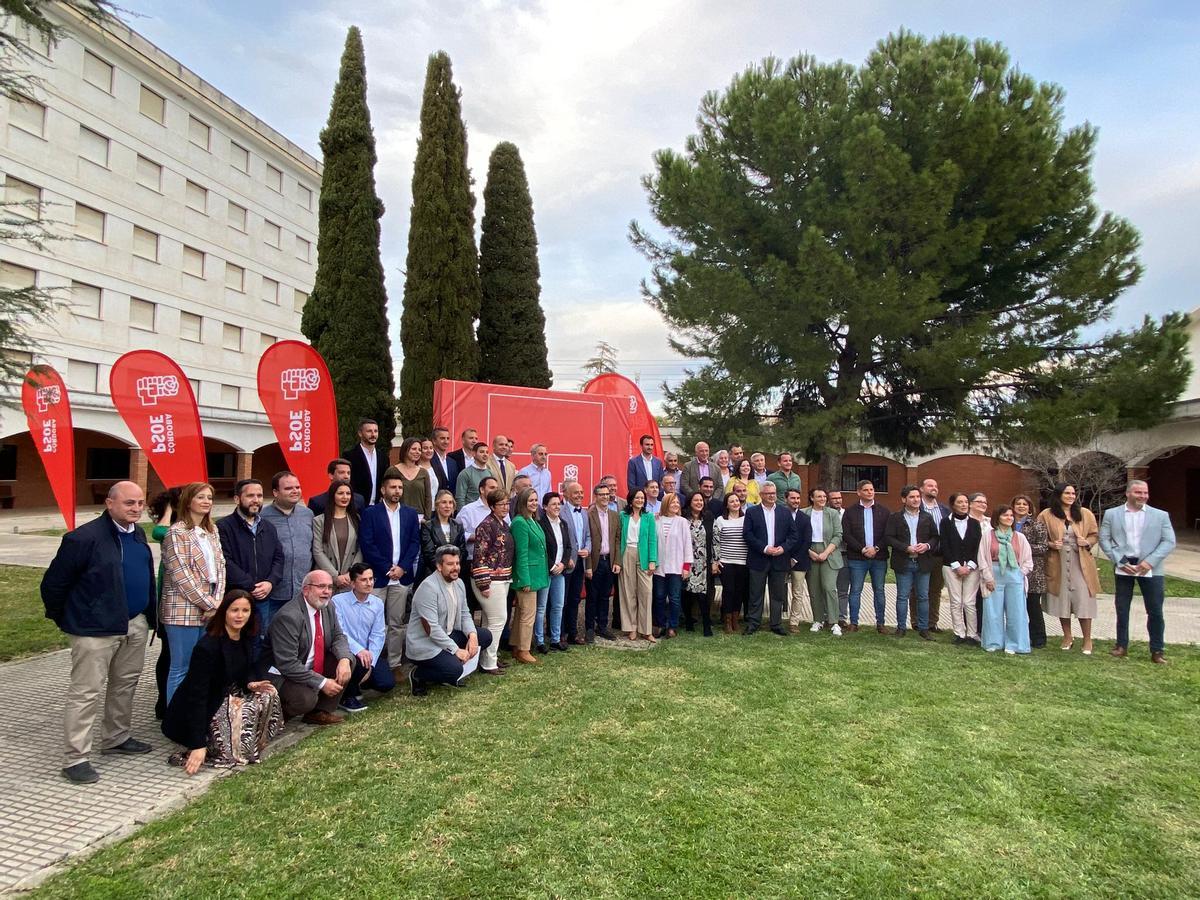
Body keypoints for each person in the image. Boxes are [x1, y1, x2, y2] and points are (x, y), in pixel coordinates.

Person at [42, 481, 157, 784]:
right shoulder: (83, 539)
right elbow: (53, 585)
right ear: (110, 504)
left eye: (140, 503)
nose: (135, 508)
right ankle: (75, 758)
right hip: (94, 629)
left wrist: (146, 617)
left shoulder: (139, 534)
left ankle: (116, 738)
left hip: (133, 623)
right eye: (128, 503)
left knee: (124, 685)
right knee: (85, 693)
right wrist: (70, 620)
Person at [162, 589, 283, 773]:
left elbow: (244, 670)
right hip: (208, 703)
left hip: (229, 694)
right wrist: (197, 743)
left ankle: (249, 741)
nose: (240, 616)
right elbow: (197, 696)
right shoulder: (207, 647)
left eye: (245, 610)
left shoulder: (245, 636)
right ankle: (208, 746)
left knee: (268, 694)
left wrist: (251, 683)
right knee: (238, 718)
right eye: (234, 610)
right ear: (224, 612)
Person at [161, 482, 227, 704]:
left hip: (210, 606)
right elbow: (182, 575)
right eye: (201, 497)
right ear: (188, 501)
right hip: (183, 607)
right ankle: (175, 720)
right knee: (182, 667)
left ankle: (194, 716)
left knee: (201, 665)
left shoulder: (211, 531)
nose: (206, 501)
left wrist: (217, 603)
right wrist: (209, 604)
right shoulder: (176, 533)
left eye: (209, 497)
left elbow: (221, 568)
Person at [1099, 480, 1176, 664]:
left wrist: (1150, 562)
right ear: (1128, 493)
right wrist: (1119, 561)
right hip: (1123, 566)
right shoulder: (1112, 514)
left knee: (1155, 610)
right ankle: (1121, 646)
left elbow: (1169, 541)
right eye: (1138, 492)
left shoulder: (1160, 515)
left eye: (1145, 493)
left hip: (1151, 568)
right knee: (1122, 607)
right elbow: (1104, 539)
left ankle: (1157, 650)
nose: (1142, 496)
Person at [262, 570, 352, 724]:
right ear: (306, 590)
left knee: (349, 660)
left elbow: (338, 636)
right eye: (321, 586)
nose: (327, 592)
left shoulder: (328, 606)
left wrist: (344, 660)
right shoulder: (289, 616)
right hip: (281, 673)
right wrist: (323, 682)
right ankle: (273, 719)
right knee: (305, 699)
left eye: (330, 587)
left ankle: (319, 712)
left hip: (307, 665)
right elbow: (287, 664)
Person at [406, 545, 492, 695]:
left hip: (448, 634)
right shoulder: (428, 588)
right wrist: (456, 650)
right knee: (454, 672)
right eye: (450, 564)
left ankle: (449, 664)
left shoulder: (458, 583)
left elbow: (465, 613)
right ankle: (418, 674)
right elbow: (431, 629)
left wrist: (472, 635)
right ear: (439, 566)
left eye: (457, 563)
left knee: (484, 636)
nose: (456, 568)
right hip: (427, 642)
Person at [360, 468, 422, 669]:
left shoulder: (410, 514)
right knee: (371, 623)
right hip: (378, 577)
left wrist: (402, 568)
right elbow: (367, 544)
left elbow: (414, 542)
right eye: (393, 487)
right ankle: (371, 664)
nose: (397, 491)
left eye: (400, 488)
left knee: (396, 624)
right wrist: (387, 568)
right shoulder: (370, 513)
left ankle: (394, 664)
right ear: (382, 490)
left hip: (401, 577)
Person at [1037, 483, 1100, 655]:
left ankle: (1087, 639)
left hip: (1080, 562)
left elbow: (1094, 534)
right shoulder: (1046, 514)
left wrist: (1086, 542)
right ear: (1059, 495)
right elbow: (1038, 536)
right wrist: (1051, 544)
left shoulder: (1085, 513)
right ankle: (1067, 636)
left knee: (1083, 598)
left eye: (1073, 493)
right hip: (1057, 560)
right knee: (1062, 599)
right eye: (1067, 493)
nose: (1071, 496)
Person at [218, 480, 285, 639]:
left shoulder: (268, 527)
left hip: (263, 597)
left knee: (259, 642)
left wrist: (270, 582)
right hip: (235, 598)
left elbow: (278, 557)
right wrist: (250, 585)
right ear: (237, 499)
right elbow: (224, 560)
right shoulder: (223, 527)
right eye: (250, 495)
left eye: (259, 496)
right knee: (233, 642)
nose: (256, 500)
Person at [331, 563, 393, 711]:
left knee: (386, 683)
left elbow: (378, 634)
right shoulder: (338, 602)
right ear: (353, 583)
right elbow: (340, 631)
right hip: (346, 652)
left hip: (368, 653)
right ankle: (347, 697)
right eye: (363, 580)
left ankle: (357, 684)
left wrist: (371, 661)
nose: (369, 583)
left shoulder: (377, 603)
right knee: (356, 662)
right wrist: (359, 650)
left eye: (371, 579)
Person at [260, 471, 315, 632]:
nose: (295, 491)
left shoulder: (308, 514)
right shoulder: (262, 517)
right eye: (289, 488)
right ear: (275, 492)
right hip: (274, 593)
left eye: (297, 487)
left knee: (300, 636)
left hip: (302, 591)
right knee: (269, 636)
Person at [884, 485, 939, 640]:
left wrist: (927, 546)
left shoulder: (927, 517)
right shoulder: (895, 517)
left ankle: (924, 628)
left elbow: (935, 537)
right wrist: (905, 547)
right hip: (904, 561)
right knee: (902, 596)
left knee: (923, 596)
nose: (916, 500)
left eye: (917, 497)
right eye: (912, 497)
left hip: (923, 562)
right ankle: (901, 627)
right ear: (904, 499)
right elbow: (889, 537)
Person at [743, 481, 796, 636]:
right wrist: (765, 548)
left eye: (773, 493)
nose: (772, 496)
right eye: (768, 493)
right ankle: (753, 623)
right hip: (759, 558)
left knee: (778, 594)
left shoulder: (785, 512)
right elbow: (748, 534)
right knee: (755, 593)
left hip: (779, 560)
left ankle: (776, 623)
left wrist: (783, 548)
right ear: (761, 495)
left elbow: (793, 535)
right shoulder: (752, 512)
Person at [979, 505, 1033, 655]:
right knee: (993, 611)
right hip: (994, 574)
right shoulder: (988, 536)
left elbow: (1028, 560)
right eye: (1005, 515)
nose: (1009, 518)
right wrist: (987, 577)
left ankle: (1015, 644)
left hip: (1014, 575)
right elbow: (982, 558)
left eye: (1011, 515)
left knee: (1016, 611)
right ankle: (993, 642)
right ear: (997, 518)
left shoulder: (1019, 537)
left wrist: (1020, 574)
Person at [471, 488, 514, 673]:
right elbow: (479, 555)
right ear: (492, 506)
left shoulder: (503, 524)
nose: (505, 507)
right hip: (489, 580)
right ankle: (489, 663)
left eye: (507, 503)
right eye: (501, 504)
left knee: (490, 621)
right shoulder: (486, 525)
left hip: (503, 578)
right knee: (498, 619)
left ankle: (488, 658)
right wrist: (483, 582)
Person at [842, 480, 890, 633]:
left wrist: (876, 548)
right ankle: (854, 622)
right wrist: (862, 549)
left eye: (872, 489)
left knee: (879, 590)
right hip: (857, 558)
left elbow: (888, 534)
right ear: (859, 492)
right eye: (866, 490)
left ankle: (880, 623)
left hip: (879, 557)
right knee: (855, 590)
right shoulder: (850, 512)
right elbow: (847, 535)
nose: (870, 492)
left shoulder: (884, 511)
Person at [149, 487, 180, 718]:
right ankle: (163, 703)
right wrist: (170, 505)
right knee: (168, 653)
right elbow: (159, 531)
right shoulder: (169, 529)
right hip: (169, 597)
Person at [510, 486, 549, 663]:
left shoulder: (532, 520)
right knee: (528, 615)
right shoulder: (519, 522)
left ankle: (517, 646)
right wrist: (524, 579)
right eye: (530, 500)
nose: (534, 503)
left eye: (535, 500)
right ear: (523, 502)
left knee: (521, 613)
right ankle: (524, 650)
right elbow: (521, 553)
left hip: (537, 574)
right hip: (527, 576)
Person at [940, 492, 984, 646]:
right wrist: (957, 566)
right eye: (960, 502)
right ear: (953, 505)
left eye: (966, 502)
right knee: (956, 601)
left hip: (972, 567)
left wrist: (970, 565)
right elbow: (945, 545)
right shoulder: (945, 523)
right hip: (951, 567)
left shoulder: (974, 523)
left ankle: (972, 634)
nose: (964, 504)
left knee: (969, 602)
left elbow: (978, 545)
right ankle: (959, 633)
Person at [619, 487, 658, 641]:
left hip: (644, 556)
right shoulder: (623, 516)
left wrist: (652, 561)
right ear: (631, 500)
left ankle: (646, 630)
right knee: (628, 592)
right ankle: (631, 627)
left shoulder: (648, 517)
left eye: (642, 498)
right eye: (637, 498)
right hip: (627, 553)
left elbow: (652, 539)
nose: (640, 500)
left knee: (646, 593)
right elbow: (618, 538)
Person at [802, 488, 843, 636]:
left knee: (829, 587)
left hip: (829, 553)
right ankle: (817, 620)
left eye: (824, 496)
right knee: (814, 589)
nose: (823, 499)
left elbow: (838, 535)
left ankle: (834, 622)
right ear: (812, 498)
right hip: (810, 550)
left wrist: (825, 553)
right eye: (819, 496)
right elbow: (799, 535)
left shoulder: (832, 514)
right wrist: (810, 552)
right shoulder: (804, 513)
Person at [910, 478, 950, 632]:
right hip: (921, 555)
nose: (934, 488)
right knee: (918, 590)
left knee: (935, 590)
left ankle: (932, 623)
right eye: (930, 485)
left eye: (936, 486)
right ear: (921, 489)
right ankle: (916, 621)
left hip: (940, 556)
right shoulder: (915, 507)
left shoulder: (945, 510)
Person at [539, 492, 576, 652]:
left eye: (558, 504)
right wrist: (551, 566)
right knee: (541, 607)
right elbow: (542, 549)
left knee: (558, 606)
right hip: (546, 571)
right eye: (553, 504)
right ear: (545, 507)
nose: (557, 507)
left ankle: (555, 639)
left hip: (560, 571)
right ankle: (539, 641)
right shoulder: (540, 524)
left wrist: (562, 564)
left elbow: (568, 547)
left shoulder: (563, 523)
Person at [311, 479, 363, 591]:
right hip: (325, 578)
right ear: (332, 496)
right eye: (340, 493)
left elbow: (360, 549)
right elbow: (317, 551)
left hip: (349, 579)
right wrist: (335, 576)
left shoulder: (357, 519)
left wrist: (351, 573)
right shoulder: (319, 521)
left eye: (348, 493)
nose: (345, 497)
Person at [585, 482, 621, 642]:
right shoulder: (588, 515)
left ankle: (603, 626)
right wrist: (588, 566)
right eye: (602, 495)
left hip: (609, 561)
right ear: (596, 497)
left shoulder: (614, 515)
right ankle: (589, 628)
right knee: (592, 596)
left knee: (606, 596)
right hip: (595, 561)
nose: (605, 497)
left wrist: (617, 561)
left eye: (607, 494)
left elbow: (618, 540)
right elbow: (584, 540)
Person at [653, 492, 692, 638]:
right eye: (672, 502)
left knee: (675, 598)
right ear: (665, 504)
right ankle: (661, 624)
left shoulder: (682, 522)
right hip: (659, 566)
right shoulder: (656, 520)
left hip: (676, 566)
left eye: (677, 502)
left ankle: (672, 626)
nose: (675, 505)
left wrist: (686, 566)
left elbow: (687, 544)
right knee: (659, 597)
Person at [1012, 494, 1048, 648]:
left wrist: (1022, 548)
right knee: (1016, 606)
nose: (1021, 506)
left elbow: (1043, 547)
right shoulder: (1008, 523)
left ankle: (1039, 638)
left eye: (1024, 504)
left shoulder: (1037, 525)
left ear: (1029, 508)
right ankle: (1020, 635)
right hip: (1012, 570)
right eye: (1018, 504)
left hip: (1033, 573)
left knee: (1032, 606)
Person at [682, 491, 716, 636]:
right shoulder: (683, 518)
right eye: (696, 500)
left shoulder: (709, 517)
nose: (699, 503)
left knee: (704, 594)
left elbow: (715, 540)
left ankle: (706, 624)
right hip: (687, 561)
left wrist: (715, 561)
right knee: (687, 593)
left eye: (701, 500)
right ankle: (689, 621)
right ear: (690, 502)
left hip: (704, 562)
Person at [561, 480, 591, 645]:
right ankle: (560, 633)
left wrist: (587, 548)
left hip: (581, 562)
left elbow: (587, 536)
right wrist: (567, 560)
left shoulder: (584, 512)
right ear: (565, 494)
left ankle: (572, 633)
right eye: (575, 492)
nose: (579, 495)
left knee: (574, 599)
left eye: (581, 492)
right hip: (566, 563)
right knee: (561, 600)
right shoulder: (561, 512)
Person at [714, 492, 749, 634]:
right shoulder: (720, 520)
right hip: (726, 561)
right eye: (731, 501)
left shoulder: (746, 519)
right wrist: (717, 560)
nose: (735, 503)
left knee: (739, 592)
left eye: (737, 501)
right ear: (727, 505)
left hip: (742, 561)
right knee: (729, 591)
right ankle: (727, 621)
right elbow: (716, 542)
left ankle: (735, 619)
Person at [783, 487, 814, 631]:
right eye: (792, 498)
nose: (796, 501)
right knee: (777, 591)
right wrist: (785, 557)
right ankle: (775, 619)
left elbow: (807, 541)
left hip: (800, 561)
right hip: (781, 559)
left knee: (798, 593)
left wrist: (794, 559)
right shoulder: (780, 515)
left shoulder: (805, 518)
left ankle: (794, 622)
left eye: (797, 498)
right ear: (786, 499)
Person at [420, 489, 467, 580]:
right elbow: (429, 553)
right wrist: (444, 569)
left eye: (450, 503)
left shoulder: (458, 526)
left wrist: (453, 567)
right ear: (437, 505)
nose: (447, 506)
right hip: (434, 573)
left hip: (455, 574)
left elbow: (462, 551)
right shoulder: (428, 526)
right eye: (444, 502)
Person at [343, 417, 389, 506]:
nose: (373, 434)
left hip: (377, 506)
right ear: (360, 433)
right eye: (369, 431)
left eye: (376, 431)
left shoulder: (383, 457)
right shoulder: (349, 456)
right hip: (356, 506)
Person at [827, 490, 851, 626]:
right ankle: (827, 616)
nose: (837, 501)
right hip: (828, 555)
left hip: (844, 555)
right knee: (828, 588)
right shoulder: (826, 514)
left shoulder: (847, 514)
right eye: (834, 498)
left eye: (839, 498)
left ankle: (841, 618)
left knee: (842, 589)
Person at [394, 437, 433, 520]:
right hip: (398, 515)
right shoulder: (393, 470)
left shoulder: (423, 472)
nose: (417, 452)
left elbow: (428, 498)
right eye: (414, 449)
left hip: (419, 518)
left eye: (419, 450)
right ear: (405, 450)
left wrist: (426, 518)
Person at [455, 441, 493, 508]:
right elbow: (460, 498)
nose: (485, 454)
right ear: (473, 454)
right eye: (481, 452)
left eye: (487, 452)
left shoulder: (490, 473)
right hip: (471, 513)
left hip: (488, 512)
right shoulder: (465, 473)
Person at [429, 426, 461, 495]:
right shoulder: (429, 460)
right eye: (442, 438)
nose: (446, 441)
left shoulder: (452, 462)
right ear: (434, 441)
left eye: (448, 438)